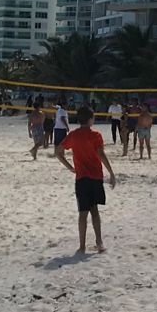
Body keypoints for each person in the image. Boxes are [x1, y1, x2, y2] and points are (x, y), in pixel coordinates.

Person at [54, 105, 116, 253]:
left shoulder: (74, 135)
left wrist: (69, 167)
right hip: (95, 177)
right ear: (90, 120)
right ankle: (99, 243)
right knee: (94, 211)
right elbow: (101, 154)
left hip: (81, 178)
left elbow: (58, 152)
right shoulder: (96, 135)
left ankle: (82, 246)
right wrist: (111, 173)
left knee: (82, 212)